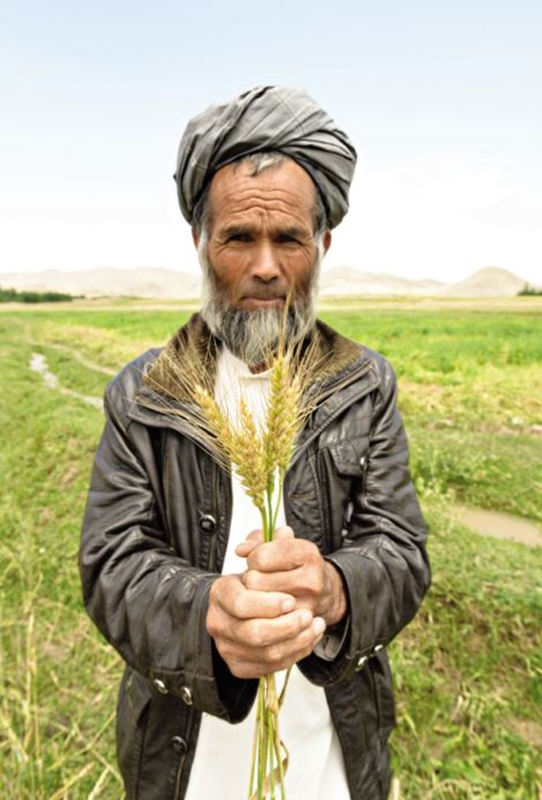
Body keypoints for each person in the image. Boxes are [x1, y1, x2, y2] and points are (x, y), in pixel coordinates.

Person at [80, 85, 430, 800]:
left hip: (329, 750)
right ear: (202, 243)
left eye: (289, 240)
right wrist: (203, 613)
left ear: (322, 245)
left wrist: (335, 589)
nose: (265, 266)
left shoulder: (366, 384)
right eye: (240, 237)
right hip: (187, 755)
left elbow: (401, 549)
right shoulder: (141, 394)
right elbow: (111, 563)